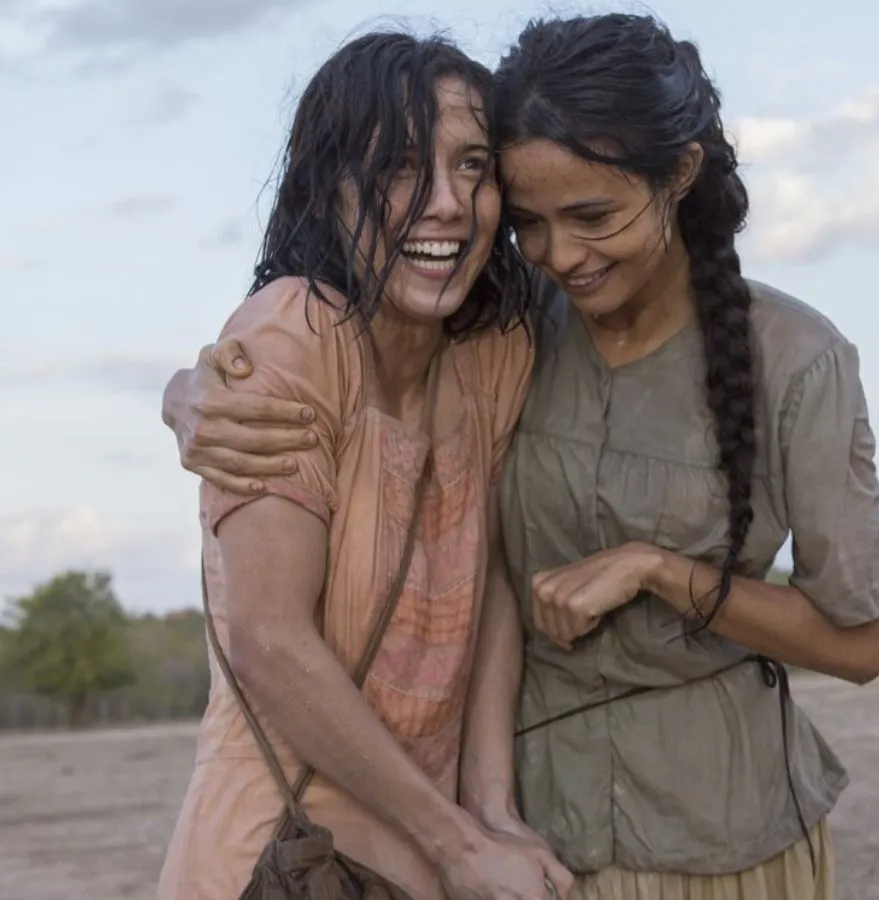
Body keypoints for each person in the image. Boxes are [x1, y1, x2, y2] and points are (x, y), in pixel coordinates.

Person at [163, 14, 879, 900]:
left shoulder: (770, 358)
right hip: (396, 853)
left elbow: (858, 643)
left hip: (608, 839)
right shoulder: (398, 332)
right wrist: (194, 396)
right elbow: (278, 628)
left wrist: (654, 574)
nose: (560, 255)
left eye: (472, 168)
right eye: (531, 223)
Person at [156, 30, 574, 900]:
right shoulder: (295, 332)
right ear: (328, 188)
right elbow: (269, 641)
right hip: (280, 857)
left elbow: (491, 580)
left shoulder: (492, 354)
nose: (449, 203)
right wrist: (460, 843)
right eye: (400, 167)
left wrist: (490, 811)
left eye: (472, 166)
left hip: (423, 855)